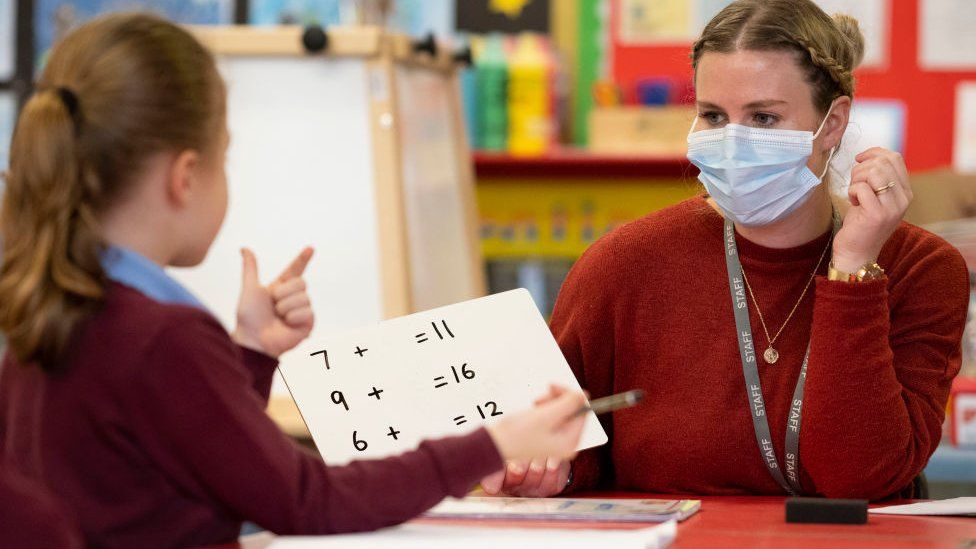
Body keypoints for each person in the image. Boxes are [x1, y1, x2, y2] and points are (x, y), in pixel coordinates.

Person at [0, 14, 586, 548]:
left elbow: (202, 458)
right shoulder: (161, 338)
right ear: (185, 176)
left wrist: (251, 355)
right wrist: (496, 442)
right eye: (225, 155)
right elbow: (307, 499)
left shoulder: (51, 310)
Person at [483, 0, 969, 501]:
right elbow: (567, 440)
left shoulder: (922, 269)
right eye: (713, 115)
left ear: (832, 123)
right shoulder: (624, 264)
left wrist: (852, 270)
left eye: (764, 117)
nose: (734, 142)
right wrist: (548, 468)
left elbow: (859, 479)